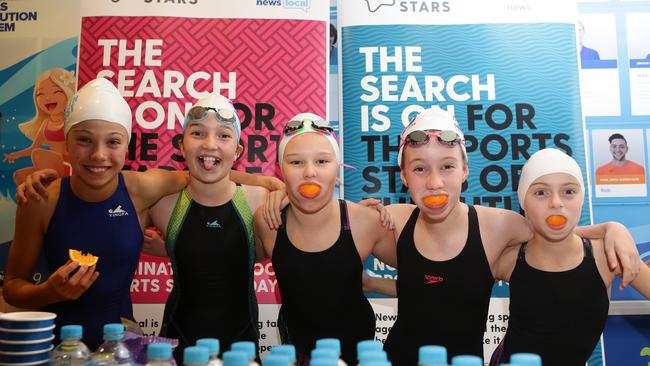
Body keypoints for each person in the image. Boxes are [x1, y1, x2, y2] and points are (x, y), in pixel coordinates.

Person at [5, 78, 280, 349]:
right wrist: (49, 292)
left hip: (120, 349)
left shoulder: (140, 189)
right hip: (59, 349)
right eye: (84, 140)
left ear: (127, 146)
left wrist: (270, 183)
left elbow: (203, 171)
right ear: (66, 143)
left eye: (112, 142)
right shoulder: (41, 198)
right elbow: (12, 287)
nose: (98, 154)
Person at [370, 108, 640, 365]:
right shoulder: (393, 220)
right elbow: (430, 287)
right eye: (420, 169)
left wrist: (610, 228)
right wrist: (368, 278)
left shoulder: (498, 226)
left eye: (447, 167)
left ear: (465, 171)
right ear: (403, 175)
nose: (435, 183)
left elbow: (552, 228)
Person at [254, 113, 396, 366]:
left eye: (322, 161)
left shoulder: (365, 221)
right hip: (297, 354)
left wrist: (373, 283)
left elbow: (428, 278)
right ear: (280, 169)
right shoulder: (268, 222)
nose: (310, 172)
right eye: (296, 162)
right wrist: (274, 188)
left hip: (356, 355)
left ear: (337, 167)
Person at [489, 148, 650, 366]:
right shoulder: (509, 259)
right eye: (541, 193)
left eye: (568, 191)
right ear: (523, 202)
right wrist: (607, 227)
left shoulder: (606, 256)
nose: (556, 203)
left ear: (581, 198)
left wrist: (612, 228)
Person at [146, 93, 268, 361]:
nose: (210, 144)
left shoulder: (259, 200)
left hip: (241, 348)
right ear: (181, 145)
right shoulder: (162, 204)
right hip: (179, 344)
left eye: (224, 135)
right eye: (198, 133)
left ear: (237, 151)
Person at [3, 68, 75, 184]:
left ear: (67, 91)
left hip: (67, 164)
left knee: (38, 154)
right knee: (19, 175)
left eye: (55, 91)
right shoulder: (46, 123)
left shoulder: (72, 121)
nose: (47, 98)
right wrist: (14, 155)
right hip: (50, 165)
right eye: (40, 93)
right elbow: (32, 148)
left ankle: (59, 186)